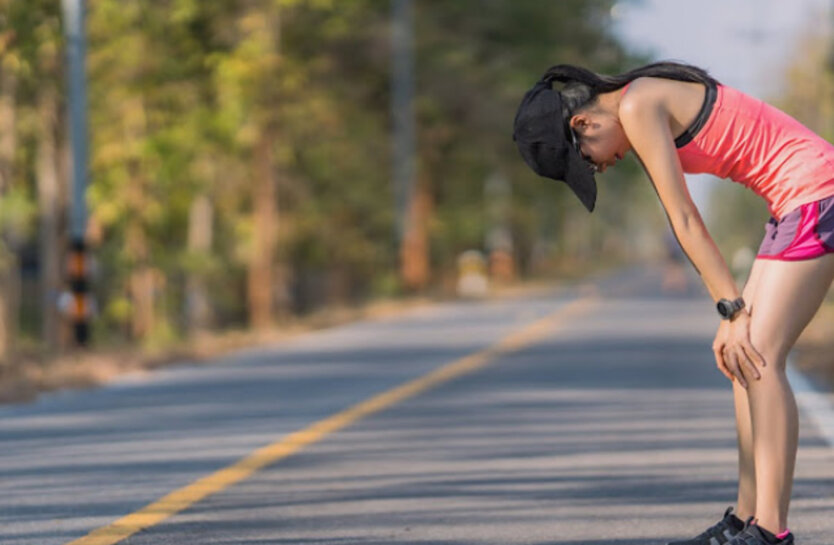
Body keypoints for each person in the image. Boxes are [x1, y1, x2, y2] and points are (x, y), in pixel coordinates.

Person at [512, 61, 834, 545]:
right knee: (741, 357)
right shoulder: (639, 102)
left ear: (584, 123)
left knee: (760, 355)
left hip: (817, 193)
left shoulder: (640, 103)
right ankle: (745, 520)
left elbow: (683, 218)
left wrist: (731, 311)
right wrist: (731, 318)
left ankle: (771, 530)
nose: (599, 167)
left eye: (587, 161)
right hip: (794, 201)